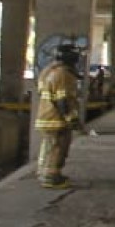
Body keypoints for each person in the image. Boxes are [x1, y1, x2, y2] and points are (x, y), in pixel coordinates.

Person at [34, 42, 85, 189]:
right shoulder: (63, 74)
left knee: (48, 146)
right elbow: (62, 100)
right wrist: (72, 119)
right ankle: (51, 177)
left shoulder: (48, 72)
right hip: (55, 120)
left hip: (45, 117)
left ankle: (44, 172)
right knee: (58, 147)